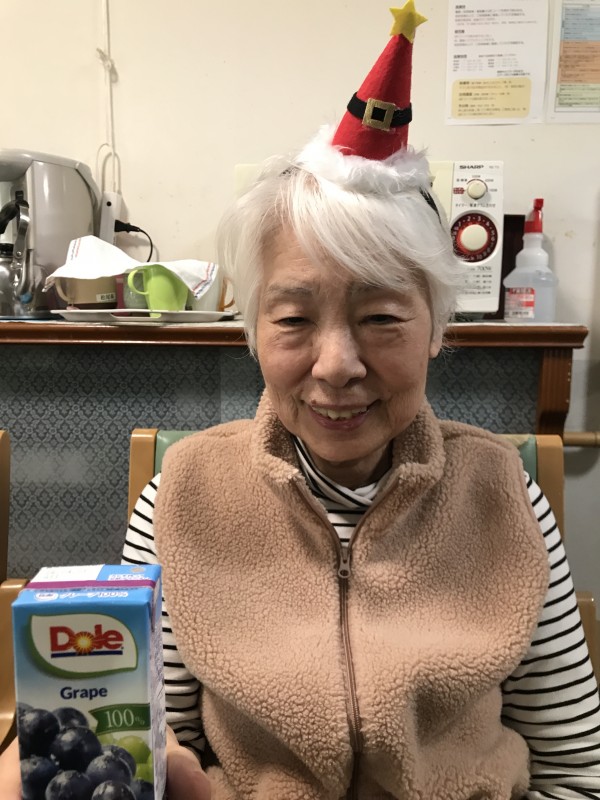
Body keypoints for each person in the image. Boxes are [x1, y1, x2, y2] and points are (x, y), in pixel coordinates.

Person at [2, 3, 599, 798]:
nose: (336, 365)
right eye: (292, 319)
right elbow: (154, 751)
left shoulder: (505, 495)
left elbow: (575, 770)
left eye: (381, 318)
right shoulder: (180, 497)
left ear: (435, 329)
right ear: (253, 331)